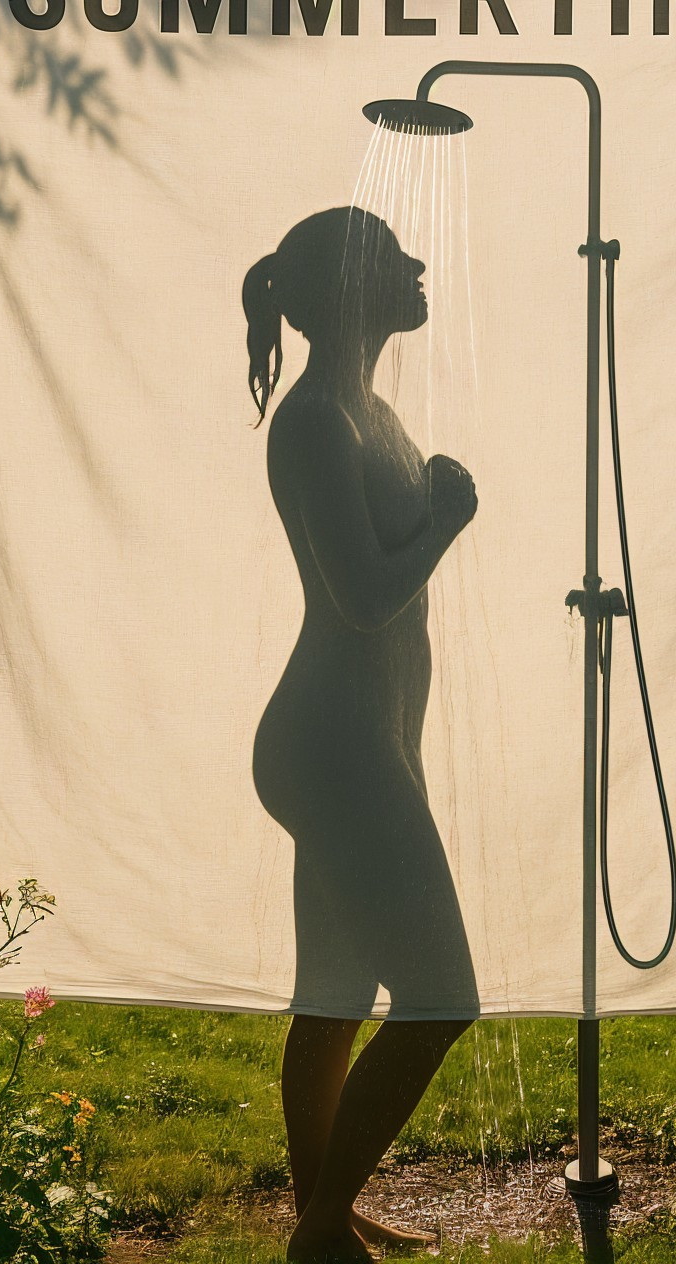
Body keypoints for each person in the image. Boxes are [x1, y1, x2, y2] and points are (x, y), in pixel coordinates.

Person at [243, 207, 480, 1261]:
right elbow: (365, 598)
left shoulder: (366, 409)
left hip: (361, 741)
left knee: (334, 999)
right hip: (333, 746)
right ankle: (321, 1230)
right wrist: (445, 524)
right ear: (349, 286)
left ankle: (324, 1214)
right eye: (392, 256)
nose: (418, 264)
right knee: (440, 1001)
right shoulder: (314, 424)